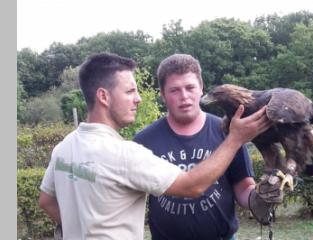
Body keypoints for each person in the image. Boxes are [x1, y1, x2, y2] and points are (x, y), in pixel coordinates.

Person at [38, 52, 273, 240]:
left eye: (190, 88)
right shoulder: (126, 153)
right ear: (103, 96)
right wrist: (235, 139)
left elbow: (46, 201)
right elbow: (191, 186)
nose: (138, 98)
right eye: (130, 91)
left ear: (201, 88)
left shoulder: (63, 148)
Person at [134, 53, 283, 240]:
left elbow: (243, 188)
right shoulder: (144, 140)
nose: (184, 96)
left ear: (201, 88)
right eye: (174, 90)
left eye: (190, 87)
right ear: (163, 94)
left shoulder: (229, 131)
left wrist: (259, 197)